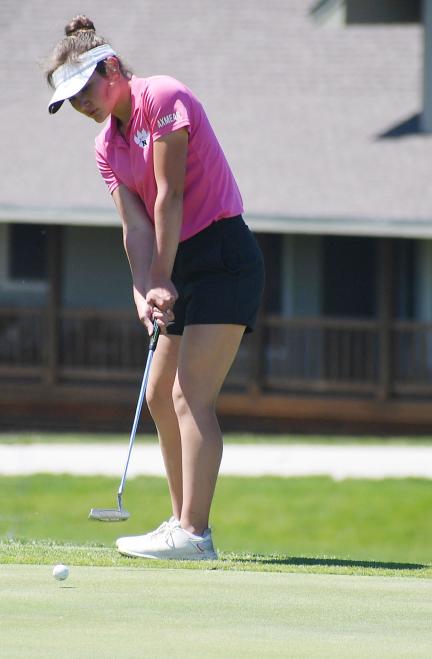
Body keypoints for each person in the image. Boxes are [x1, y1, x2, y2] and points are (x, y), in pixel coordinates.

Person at [44, 16, 264, 560]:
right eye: (70, 101)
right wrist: (144, 289)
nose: (82, 105)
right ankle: (178, 523)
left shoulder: (163, 97)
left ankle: (195, 534)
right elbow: (136, 226)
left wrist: (162, 275)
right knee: (158, 394)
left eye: (86, 91)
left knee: (192, 395)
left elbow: (170, 196)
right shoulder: (105, 146)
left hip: (222, 256)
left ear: (112, 68)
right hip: (177, 263)